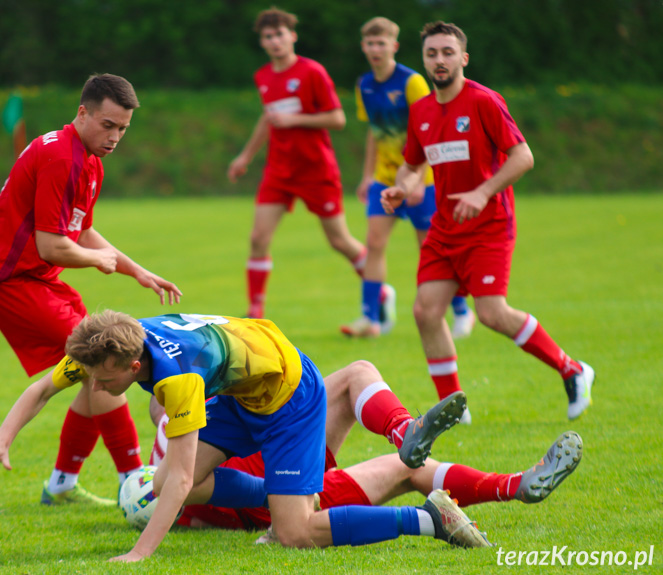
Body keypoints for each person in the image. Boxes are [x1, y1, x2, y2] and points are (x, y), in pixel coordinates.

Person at [63, 310, 487, 562]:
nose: (96, 388)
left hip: (289, 398)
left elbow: (180, 482)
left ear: (131, 366)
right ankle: (279, 494)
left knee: (296, 535)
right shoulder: (127, 338)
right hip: (242, 395)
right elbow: (45, 387)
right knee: (161, 479)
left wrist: (139, 554)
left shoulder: (178, 380)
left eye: (102, 381)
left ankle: (429, 520)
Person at [0, 74, 182, 504]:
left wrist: (135, 270)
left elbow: (81, 231)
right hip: (12, 282)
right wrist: (98, 262)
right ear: (82, 113)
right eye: (108, 125)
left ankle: (62, 484)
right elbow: (53, 246)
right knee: (105, 362)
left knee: (90, 372)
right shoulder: (62, 158)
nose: (115, 136)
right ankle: (135, 482)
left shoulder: (86, 159)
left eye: (123, 128)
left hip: (39, 280)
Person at [381, 22, 594, 423]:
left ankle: (573, 369)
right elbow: (411, 166)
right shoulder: (422, 111)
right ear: (424, 60)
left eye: (447, 52)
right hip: (445, 227)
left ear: (463, 58)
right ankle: (454, 407)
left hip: (489, 225)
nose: (439, 60)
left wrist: (483, 192)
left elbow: (523, 156)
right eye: (431, 53)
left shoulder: (484, 101)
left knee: (492, 313)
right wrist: (401, 187)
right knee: (426, 311)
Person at [147, 382, 582, 535]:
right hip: (282, 483)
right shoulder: (177, 481)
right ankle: (514, 485)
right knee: (404, 468)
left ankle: (404, 430)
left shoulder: (174, 457)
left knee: (356, 373)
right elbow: (187, 493)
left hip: (277, 451)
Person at [227, 8, 366, 319]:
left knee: (339, 240)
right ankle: (256, 311)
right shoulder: (263, 76)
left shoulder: (312, 71)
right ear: (262, 42)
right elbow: (268, 118)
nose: (274, 41)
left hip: (316, 169)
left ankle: (378, 291)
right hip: (279, 170)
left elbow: (338, 118)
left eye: (279, 34)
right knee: (258, 238)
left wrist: (295, 119)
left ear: (292, 36)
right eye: (268, 36)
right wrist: (245, 156)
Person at [341, 17, 473, 340]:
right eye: (370, 44)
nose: (376, 49)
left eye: (381, 43)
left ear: (394, 46)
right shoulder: (365, 85)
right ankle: (370, 318)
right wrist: (367, 176)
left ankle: (461, 311)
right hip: (384, 181)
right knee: (374, 244)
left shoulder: (412, 82)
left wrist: (417, 179)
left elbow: (432, 128)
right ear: (363, 47)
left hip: (422, 181)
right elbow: (374, 133)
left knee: (431, 250)